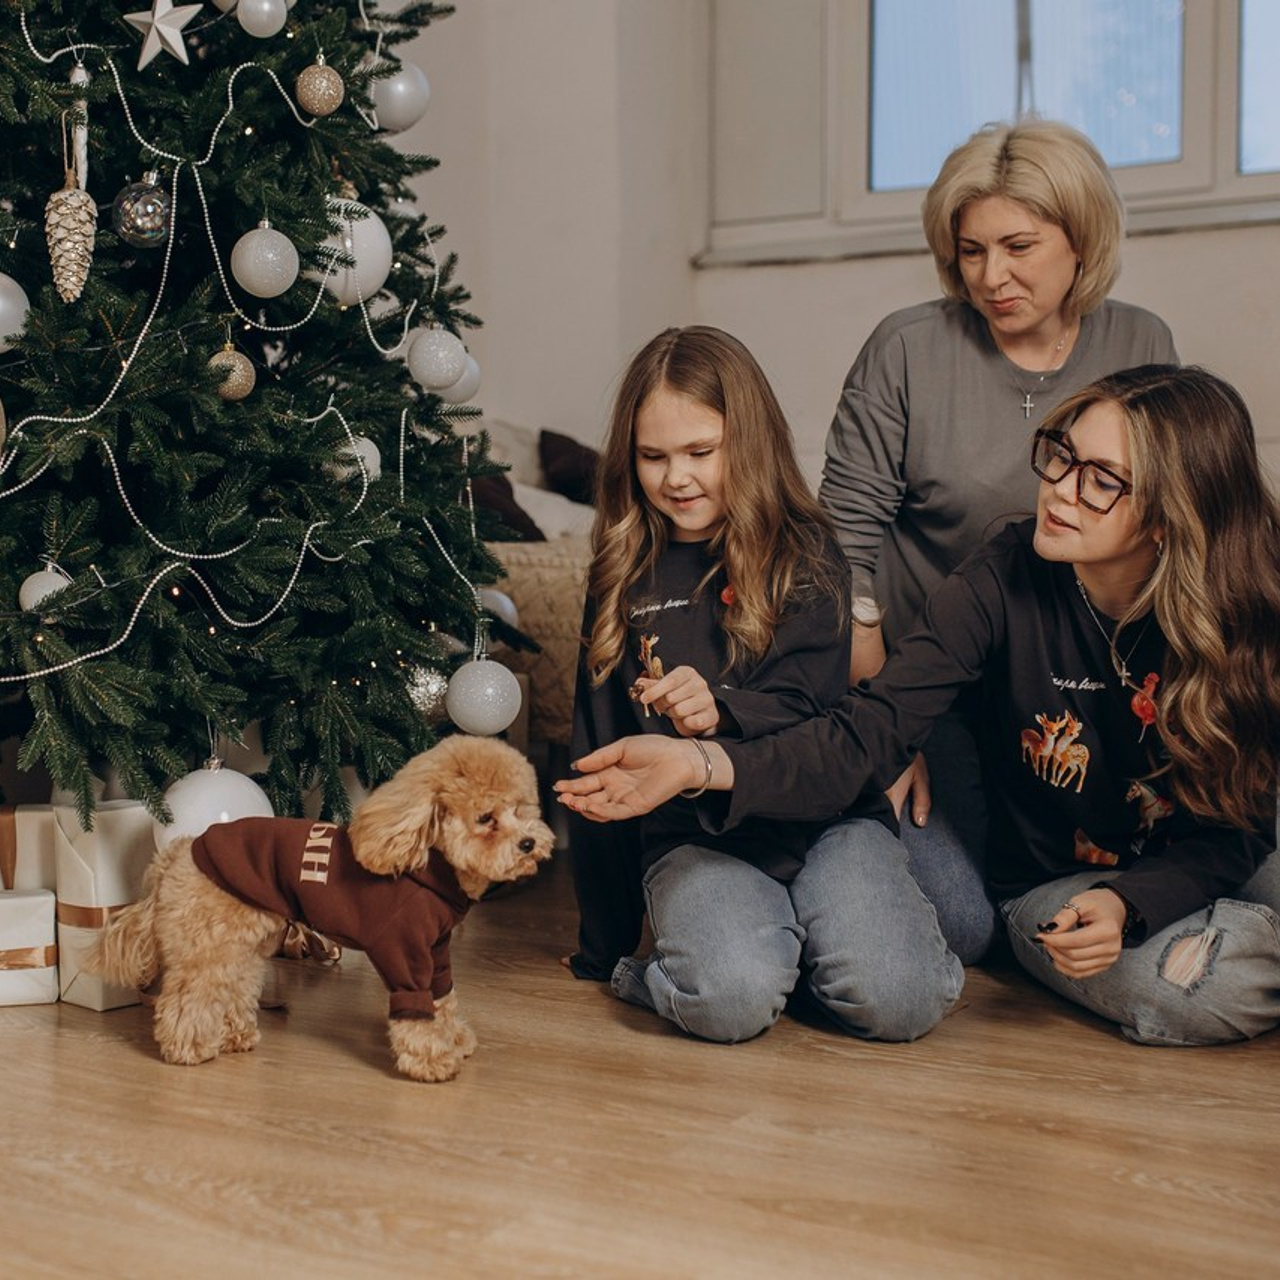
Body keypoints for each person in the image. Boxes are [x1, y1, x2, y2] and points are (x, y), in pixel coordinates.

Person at [558, 365, 1280, 1047]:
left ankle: (1222, 932)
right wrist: (698, 761)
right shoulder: (1000, 576)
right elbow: (865, 733)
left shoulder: (1243, 612)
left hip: (1187, 856)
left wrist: (1141, 901)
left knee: (1246, 907)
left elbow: (1239, 827)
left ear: (1167, 517)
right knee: (1206, 985)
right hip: (1058, 877)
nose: (1059, 488)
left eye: (1100, 482)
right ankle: (1220, 941)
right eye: (1061, 455)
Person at [823, 119, 1179, 964]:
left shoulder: (1142, 345)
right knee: (962, 918)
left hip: (1074, 686)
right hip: (927, 679)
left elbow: (1174, 522)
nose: (993, 276)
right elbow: (845, 548)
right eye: (971, 250)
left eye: (1019, 246)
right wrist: (889, 726)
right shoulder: (908, 347)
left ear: (1082, 239)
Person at [565, 324, 961, 1045]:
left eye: (699, 452)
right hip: (695, 837)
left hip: (827, 822)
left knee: (899, 1002)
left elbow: (809, 712)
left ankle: (798, 952)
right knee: (730, 1003)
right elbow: (597, 750)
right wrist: (606, 945)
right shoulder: (621, 571)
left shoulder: (810, 553)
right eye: (653, 456)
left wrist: (717, 710)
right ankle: (695, 972)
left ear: (747, 442)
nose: (675, 477)